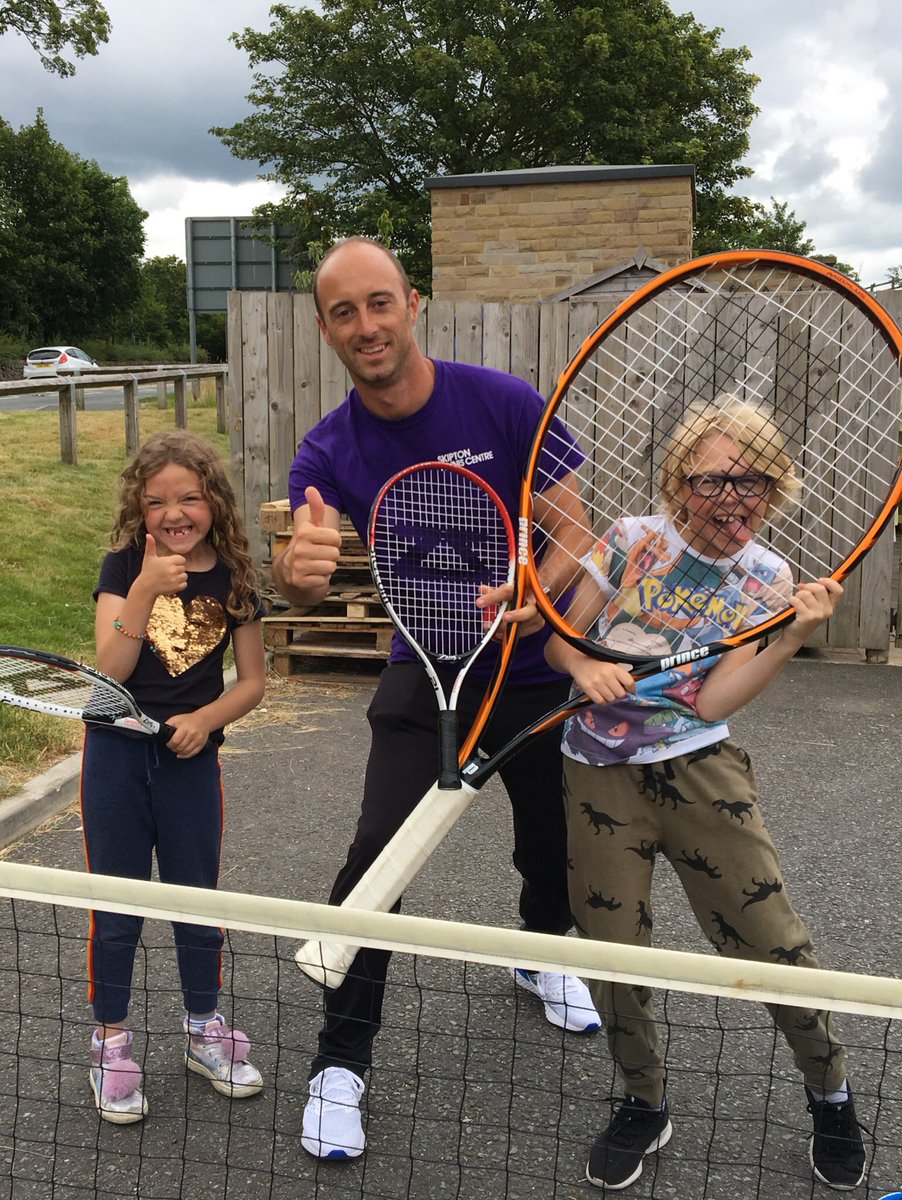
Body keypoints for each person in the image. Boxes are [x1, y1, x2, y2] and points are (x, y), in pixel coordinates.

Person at [274, 235, 601, 1161]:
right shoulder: (328, 448)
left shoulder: (501, 402)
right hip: (426, 671)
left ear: (411, 303)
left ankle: (539, 952)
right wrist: (297, 573)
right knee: (377, 858)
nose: (365, 326)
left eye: (378, 303)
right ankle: (340, 1065)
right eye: (344, 311)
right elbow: (305, 563)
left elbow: (573, 527)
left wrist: (541, 587)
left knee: (553, 849)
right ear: (325, 327)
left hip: (531, 671)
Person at [544, 398, 867, 1192]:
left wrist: (791, 633)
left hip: (698, 770)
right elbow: (561, 634)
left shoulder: (767, 579)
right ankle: (643, 1101)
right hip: (595, 770)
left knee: (771, 940)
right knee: (608, 949)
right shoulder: (628, 542)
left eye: (751, 478)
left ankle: (831, 1093)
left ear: (774, 487)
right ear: (677, 482)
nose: (732, 495)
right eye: (712, 478)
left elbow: (714, 702)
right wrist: (583, 668)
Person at [82, 430, 267, 1123]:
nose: (174, 512)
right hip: (115, 759)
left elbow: (253, 684)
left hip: (191, 763)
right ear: (140, 506)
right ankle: (109, 1040)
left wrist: (205, 717)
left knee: (197, 901)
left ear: (212, 501)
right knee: (116, 908)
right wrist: (143, 592)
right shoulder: (124, 565)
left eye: (188, 497)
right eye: (157, 501)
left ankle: (203, 1031)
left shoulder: (237, 578)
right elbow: (108, 674)